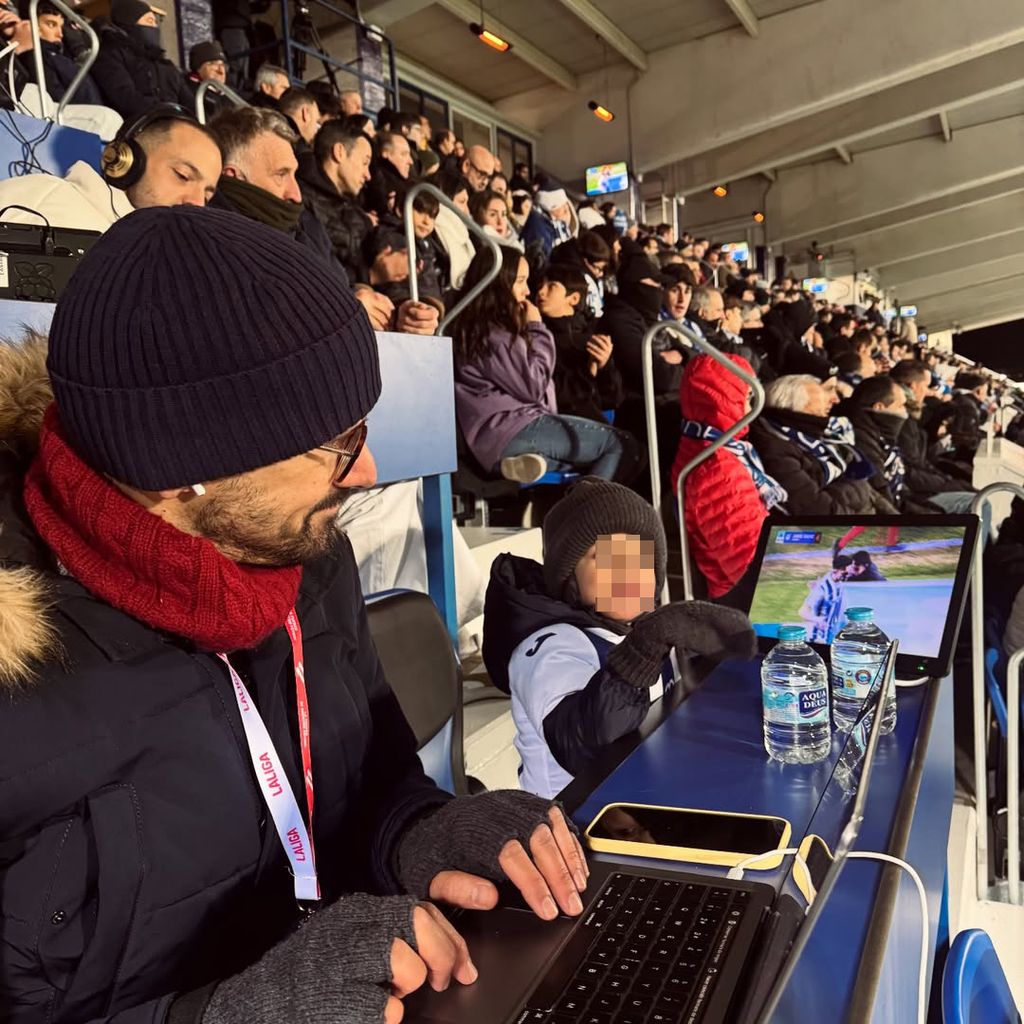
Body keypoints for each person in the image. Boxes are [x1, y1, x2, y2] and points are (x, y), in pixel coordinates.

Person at [0, 206, 590, 1023]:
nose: (369, 469)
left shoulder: (306, 555)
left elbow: (373, 779)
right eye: (333, 443)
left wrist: (421, 835)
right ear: (180, 464)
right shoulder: (16, 676)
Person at [482, 479, 755, 797]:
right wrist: (645, 648)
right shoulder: (549, 647)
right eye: (603, 557)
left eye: (639, 557)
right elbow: (585, 745)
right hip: (573, 826)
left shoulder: (644, 629)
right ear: (568, 576)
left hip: (646, 797)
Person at [208, 106, 438, 336]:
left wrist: (399, 315)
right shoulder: (210, 238)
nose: (295, 194)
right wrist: (349, 303)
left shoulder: (307, 225)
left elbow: (340, 284)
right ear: (234, 177)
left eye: (293, 174)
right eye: (280, 175)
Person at [452, 247, 638, 484]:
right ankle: (585, 516)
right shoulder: (493, 334)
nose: (528, 291)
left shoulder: (487, 329)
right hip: (511, 428)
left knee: (593, 459)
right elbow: (535, 384)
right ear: (498, 283)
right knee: (622, 446)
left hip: (503, 431)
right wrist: (537, 328)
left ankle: (535, 462)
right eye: (520, 281)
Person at [671, 354, 788, 598]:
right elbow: (752, 570)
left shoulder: (706, 449)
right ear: (725, 402)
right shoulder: (718, 471)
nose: (750, 408)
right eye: (746, 398)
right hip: (740, 602)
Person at [0, 106, 221, 230]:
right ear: (125, 162)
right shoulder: (42, 196)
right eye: (183, 176)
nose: (196, 203)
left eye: (206, 196)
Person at [749, 374, 883, 515]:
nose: (836, 400)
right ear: (794, 403)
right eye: (827, 390)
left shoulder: (821, 438)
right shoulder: (775, 448)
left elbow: (870, 492)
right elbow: (818, 510)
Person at [537, 262, 622, 424]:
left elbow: (613, 399)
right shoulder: (535, 336)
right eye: (541, 285)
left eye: (551, 286)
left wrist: (605, 367)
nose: (541, 292)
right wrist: (588, 373)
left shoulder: (591, 339)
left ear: (574, 298)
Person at [296, 120, 373, 285]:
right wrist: (372, 275)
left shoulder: (352, 209)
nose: (368, 175)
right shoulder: (299, 198)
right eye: (365, 163)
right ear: (339, 152)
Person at [91, 0, 194, 119]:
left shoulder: (166, 65)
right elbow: (125, 98)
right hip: (138, 125)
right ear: (129, 22)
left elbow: (190, 105)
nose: (154, 28)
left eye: (156, 23)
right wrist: (166, 112)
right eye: (149, 21)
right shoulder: (110, 56)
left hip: (173, 124)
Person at [15, 0, 103, 104]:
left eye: (61, 27)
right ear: (29, 24)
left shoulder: (61, 55)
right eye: (51, 25)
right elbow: (55, 98)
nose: (59, 34)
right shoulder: (37, 58)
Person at [800, 554, 852, 643]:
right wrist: (818, 620)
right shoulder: (822, 589)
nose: (848, 575)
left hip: (828, 634)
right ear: (838, 570)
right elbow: (803, 612)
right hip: (816, 637)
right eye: (846, 573)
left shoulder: (838, 582)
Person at [521, 186, 578, 261]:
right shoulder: (538, 225)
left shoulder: (550, 225)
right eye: (564, 208)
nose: (566, 209)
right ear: (552, 208)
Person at [186, 40, 230, 119]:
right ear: (198, 68)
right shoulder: (190, 94)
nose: (221, 71)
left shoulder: (232, 95)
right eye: (213, 64)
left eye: (222, 65)